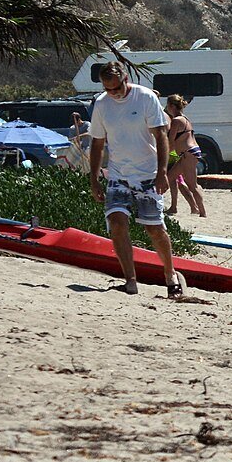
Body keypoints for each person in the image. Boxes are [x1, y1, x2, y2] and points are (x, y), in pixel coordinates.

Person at [88, 61, 179, 298]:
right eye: (108, 89)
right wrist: (95, 178)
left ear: (126, 79)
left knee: (154, 230)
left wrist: (162, 172)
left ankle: (170, 276)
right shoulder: (101, 104)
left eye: (117, 87)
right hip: (118, 175)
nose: (114, 93)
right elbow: (97, 143)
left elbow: (161, 135)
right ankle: (130, 281)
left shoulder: (145, 97)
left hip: (147, 174)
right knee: (117, 225)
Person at [163, 95, 207, 220]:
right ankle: (189, 208)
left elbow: (170, 141)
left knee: (192, 186)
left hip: (188, 153)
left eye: (167, 106)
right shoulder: (185, 118)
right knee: (170, 178)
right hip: (189, 152)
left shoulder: (177, 120)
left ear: (171, 106)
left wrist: (162, 155)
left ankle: (202, 212)